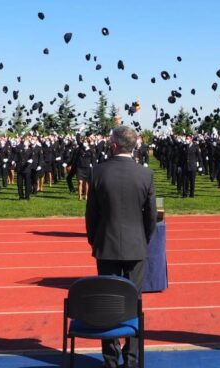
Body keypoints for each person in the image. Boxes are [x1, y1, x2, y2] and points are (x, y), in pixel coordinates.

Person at [85, 125, 157, 368]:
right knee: (134, 301)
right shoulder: (145, 174)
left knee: (108, 301)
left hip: (107, 245)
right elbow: (151, 218)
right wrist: (143, 240)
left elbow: (91, 215)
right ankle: (133, 359)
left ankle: (111, 359)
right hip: (136, 247)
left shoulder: (98, 172)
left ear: (114, 145)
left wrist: (95, 239)